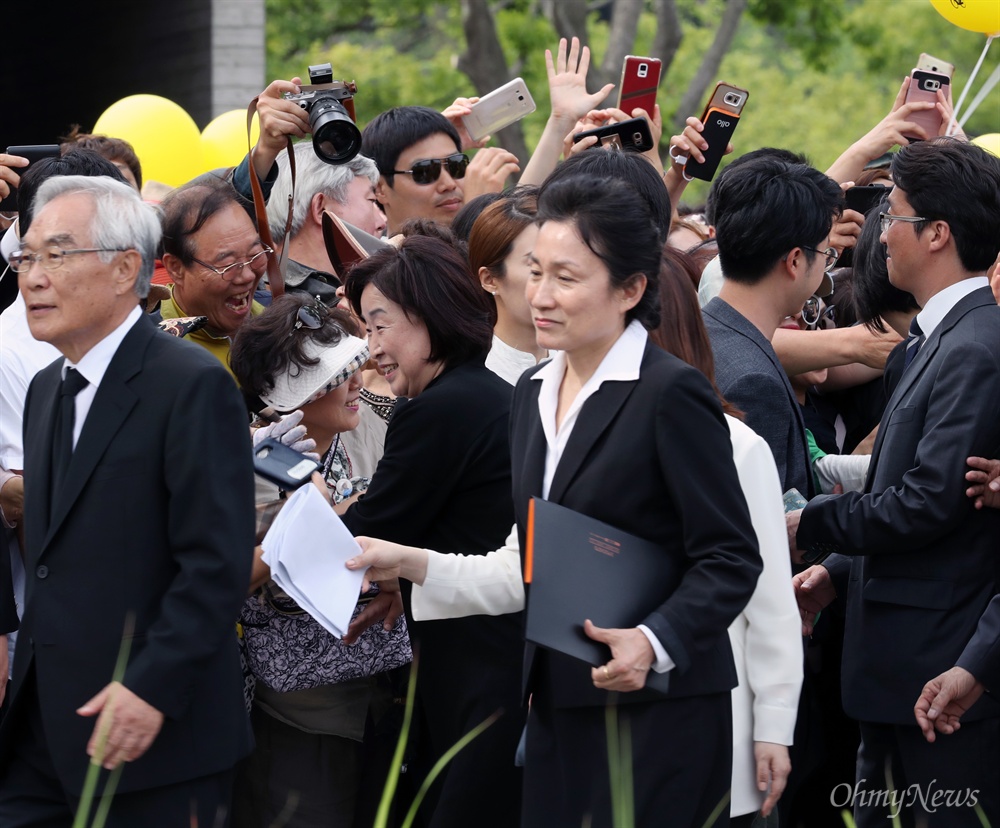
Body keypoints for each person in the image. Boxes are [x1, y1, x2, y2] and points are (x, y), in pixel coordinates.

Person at [350, 168, 762, 827]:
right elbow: (527, 565)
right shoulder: (531, 394)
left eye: (566, 278)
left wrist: (654, 640)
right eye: (535, 272)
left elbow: (731, 558)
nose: (541, 295)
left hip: (658, 716)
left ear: (630, 289)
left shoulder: (669, 393)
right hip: (555, 708)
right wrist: (410, 563)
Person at [0, 175, 254, 826]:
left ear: (125, 270)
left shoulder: (190, 386)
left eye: (57, 255)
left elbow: (215, 565)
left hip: (157, 737)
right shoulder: (45, 390)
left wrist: (151, 688)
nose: (32, 277)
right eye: (24, 257)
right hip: (45, 730)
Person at [790, 138, 1000, 828]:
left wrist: (815, 522)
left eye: (894, 215)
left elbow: (929, 502)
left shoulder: (974, 349)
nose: (879, 233)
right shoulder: (931, 340)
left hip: (939, 675)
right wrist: (840, 571)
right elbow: (905, 487)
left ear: (938, 233)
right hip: (895, 672)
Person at [340, 234, 524, 828]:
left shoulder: (438, 409)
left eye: (379, 325)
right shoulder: (490, 393)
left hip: (477, 659)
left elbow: (366, 535)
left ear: (429, 317)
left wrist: (314, 502)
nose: (372, 349)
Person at [228, 294, 408, 828]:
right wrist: (301, 514)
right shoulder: (249, 462)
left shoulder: (379, 428)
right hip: (301, 711)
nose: (357, 382)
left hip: (386, 690)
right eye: (336, 376)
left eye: (356, 366)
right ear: (285, 399)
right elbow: (228, 580)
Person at [703, 156, 844, 497]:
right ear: (795, 260)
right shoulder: (755, 383)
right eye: (827, 254)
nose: (827, 265)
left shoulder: (702, 330)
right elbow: (768, 528)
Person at [160, 177, 271, 375]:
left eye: (255, 255)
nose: (247, 275)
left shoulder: (277, 320)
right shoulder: (159, 353)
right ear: (176, 268)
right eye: (228, 264)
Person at [360, 106, 518, 234]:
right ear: (381, 189)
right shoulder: (379, 267)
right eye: (425, 171)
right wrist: (476, 213)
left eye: (455, 165)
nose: (449, 184)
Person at [264, 144, 386, 305]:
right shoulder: (304, 312)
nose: (382, 222)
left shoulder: (257, 291)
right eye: (371, 200)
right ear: (321, 209)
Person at [467, 187, 547, 384]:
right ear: (489, 279)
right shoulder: (473, 377)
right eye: (535, 267)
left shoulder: (586, 359)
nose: (552, 280)